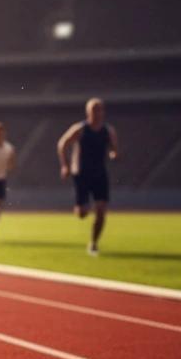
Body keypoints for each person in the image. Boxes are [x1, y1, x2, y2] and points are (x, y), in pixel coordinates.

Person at [57, 98, 118, 255]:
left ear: (103, 111)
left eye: (99, 109)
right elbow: (62, 144)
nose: (96, 112)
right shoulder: (80, 129)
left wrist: (114, 154)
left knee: (101, 211)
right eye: (93, 109)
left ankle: (93, 243)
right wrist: (65, 165)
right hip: (82, 173)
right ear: (88, 112)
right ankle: (81, 207)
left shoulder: (108, 131)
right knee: (82, 213)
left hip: (100, 174)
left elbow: (113, 148)